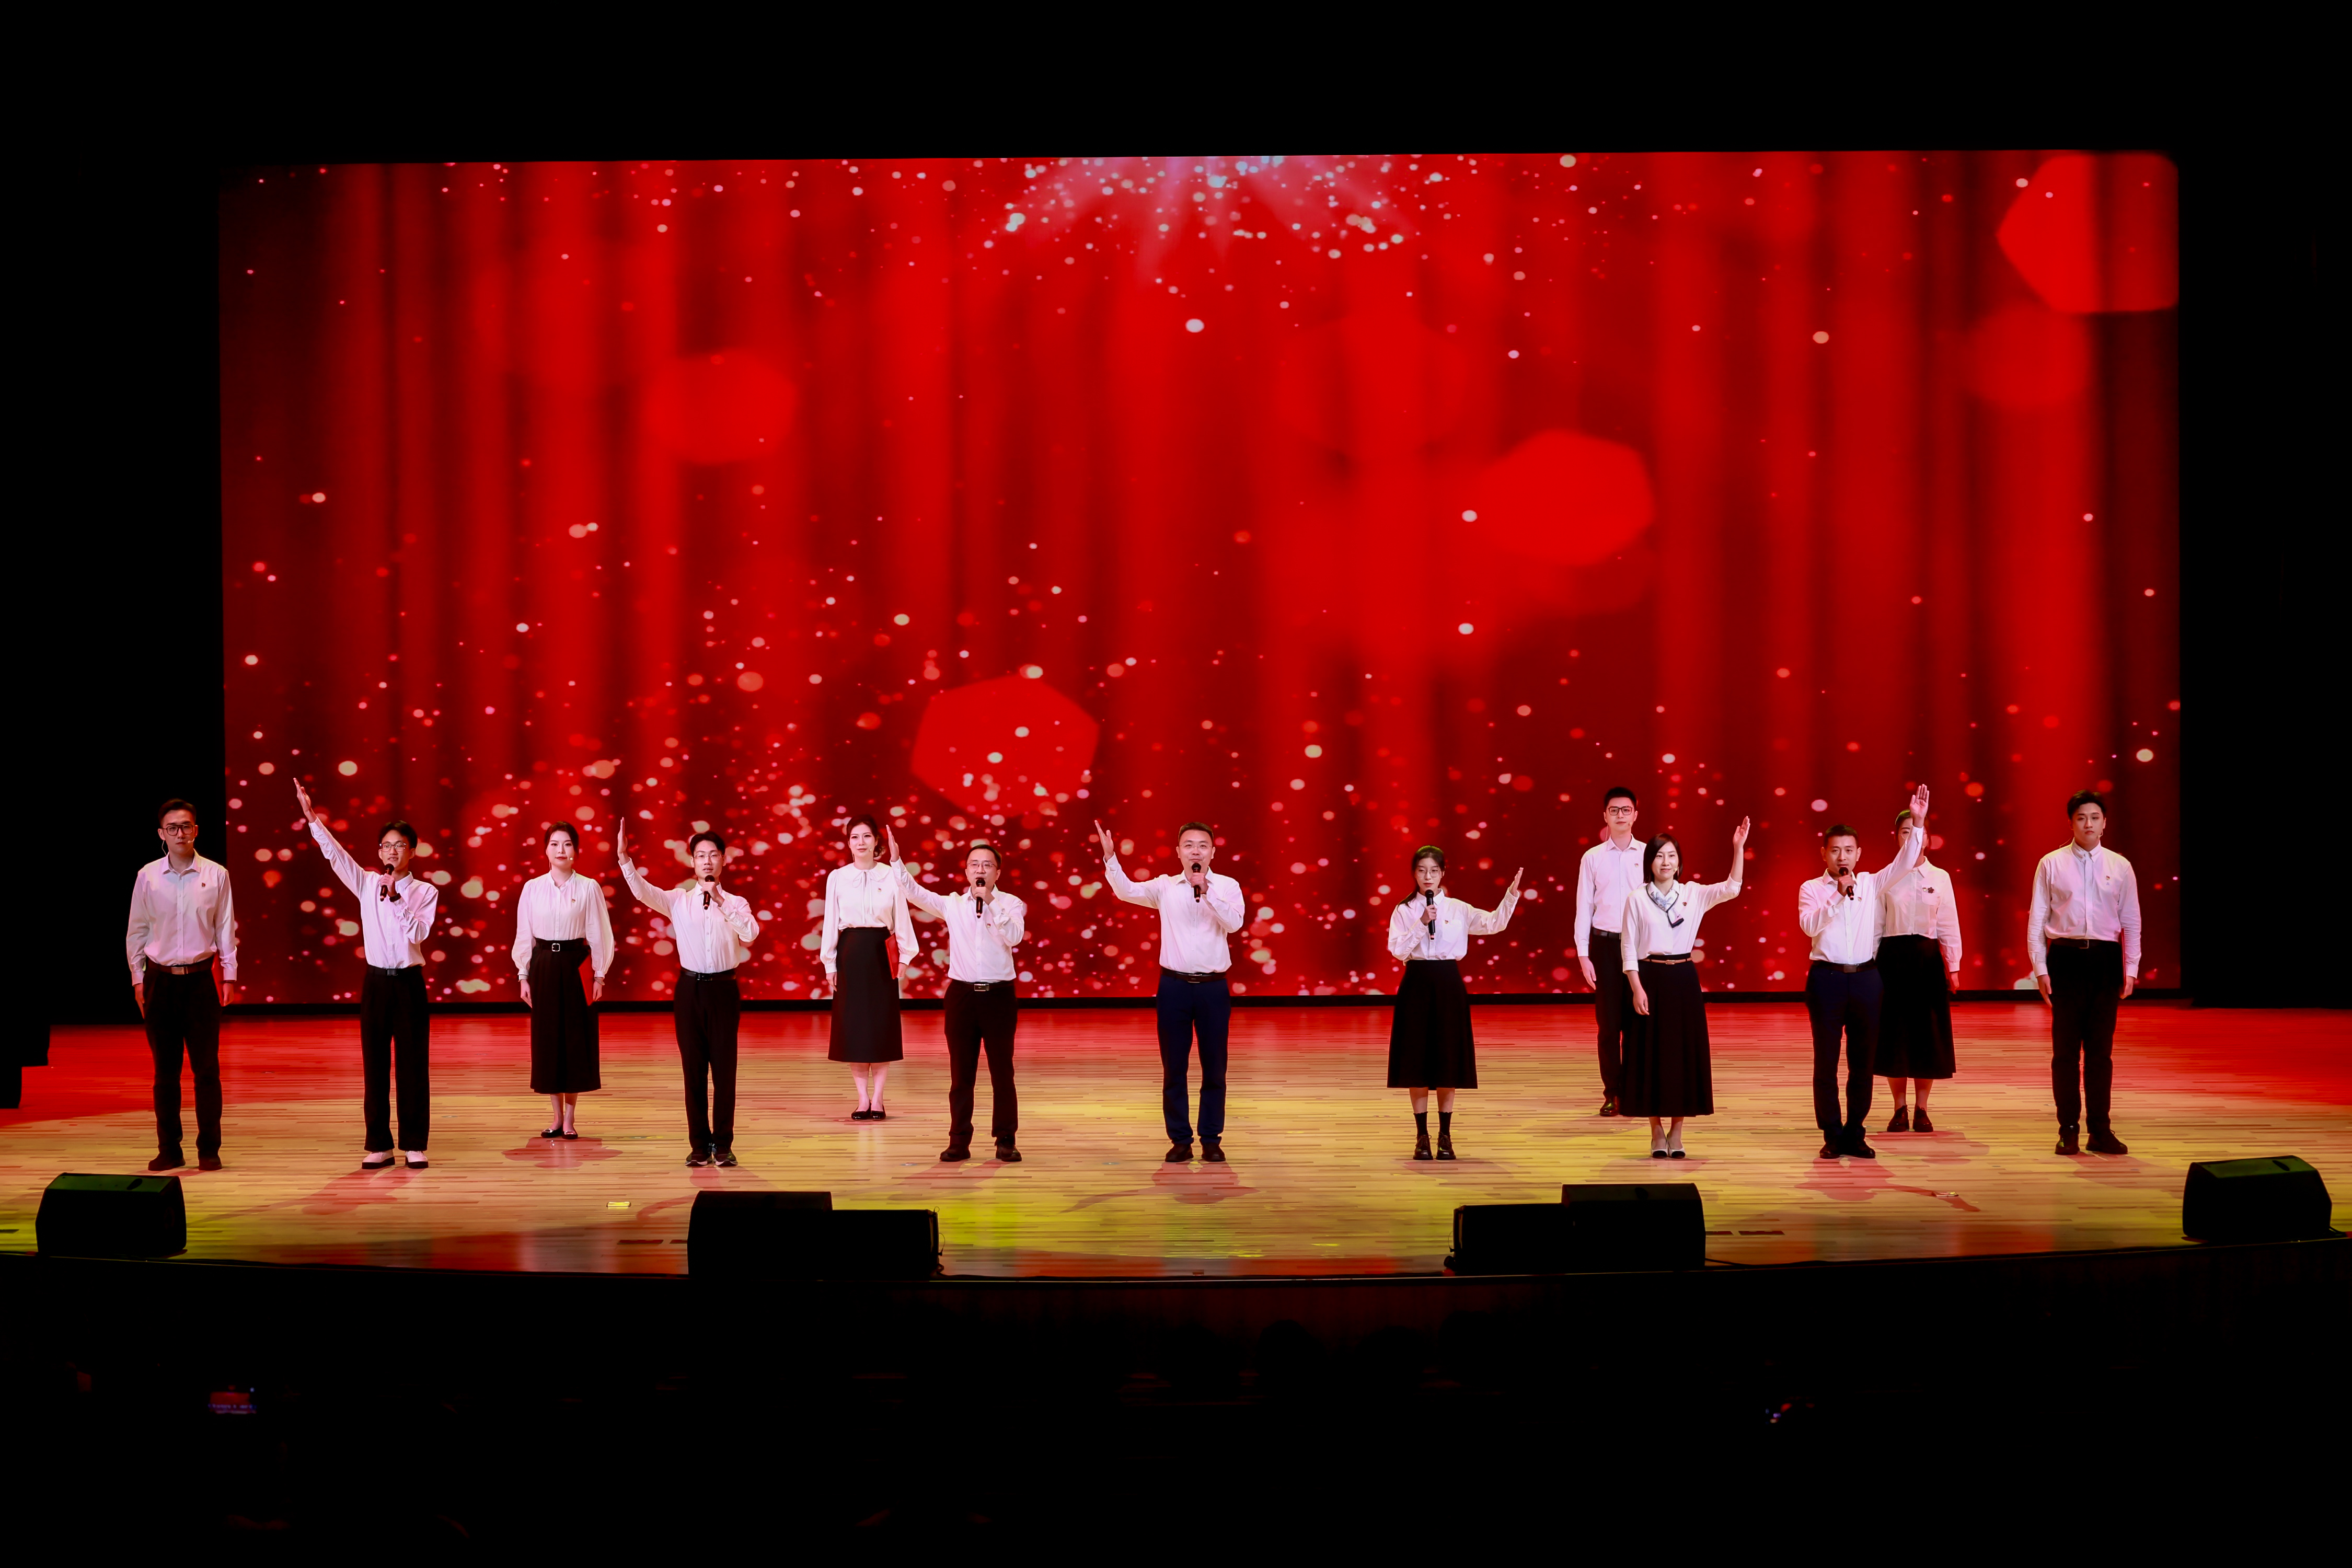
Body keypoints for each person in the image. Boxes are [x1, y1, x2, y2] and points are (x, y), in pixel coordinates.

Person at [297, 781, 437, 1170]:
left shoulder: (425, 892)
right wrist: (312, 817)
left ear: (413, 851)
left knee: (412, 1065)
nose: (392, 852)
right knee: (374, 1065)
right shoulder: (366, 882)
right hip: (376, 982)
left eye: (400, 845)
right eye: (386, 846)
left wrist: (396, 897)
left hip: (409, 983)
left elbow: (418, 934)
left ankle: (414, 1143)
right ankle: (379, 1144)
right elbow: (335, 855)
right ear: (379, 852)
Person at [1098, 818, 1245, 1163]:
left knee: (1215, 1068)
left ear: (1213, 852)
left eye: (1203, 846)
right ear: (1178, 852)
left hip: (1213, 989)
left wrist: (1207, 892)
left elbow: (1235, 923)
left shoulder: (1227, 886)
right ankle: (1180, 1140)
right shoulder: (1165, 887)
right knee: (1174, 1068)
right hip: (1174, 988)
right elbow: (1126, 891)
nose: (1196, 852)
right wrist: (1111, 858)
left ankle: (1211, 1139)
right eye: (1189, 846)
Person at [1797, 786, 1933, 1160]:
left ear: (1859, 854)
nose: (1842, 856)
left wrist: (1918, 822)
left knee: (1863, 1063)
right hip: (1826, 979)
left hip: (1866, 980)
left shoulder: (1872, 882)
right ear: (1824, 854)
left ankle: (1856, 1132)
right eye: (1835, 850)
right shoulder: (1812, 889)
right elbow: (1809, 926)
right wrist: (1838, 895)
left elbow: (1906, 861)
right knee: (1826, 1062)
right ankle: (1832, 1134)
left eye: (1849, 850)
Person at [617, 820, 757, 1168]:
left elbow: (750, 934)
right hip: (690, 991)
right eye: (701, 855)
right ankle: (699, 1145)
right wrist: (624, 859)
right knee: (693, 1070)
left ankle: (723, 1144)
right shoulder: (678, 900)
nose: (707, 861)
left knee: (724, 1072)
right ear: (692, 862)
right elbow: (643, 892)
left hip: (724, 990)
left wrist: (721, 901)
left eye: (713, 855)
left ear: (723, 860)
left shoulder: (736, 902)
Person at [890, 827, 1027, 1163]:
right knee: (961, 1074)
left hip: (999, 996)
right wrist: (896, 862)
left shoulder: (1011, 903)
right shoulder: (952, 904)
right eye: (975, 865)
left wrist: (990, 901)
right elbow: (914, 892)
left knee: (1002, 1072)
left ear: (997, 872)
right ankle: (959, 1140)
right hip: (962, 997)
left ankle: (1005, 1139)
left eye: (987, 865)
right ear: (966, 871)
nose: (981, 870)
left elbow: (1014, 937)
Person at [1622, 817, 1750, 1157]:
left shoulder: (1693, 894)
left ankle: (1677, 1132)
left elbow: (1732, 888)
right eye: (1659, 856)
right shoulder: (1637, 898)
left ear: (1679, 862)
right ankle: (1655, 1131)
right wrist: (1636, 988)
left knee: (1681, 1056)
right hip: (1649, 979)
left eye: (1672, 856)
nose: (1666, 862)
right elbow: (1628, 947)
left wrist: (1738, 849)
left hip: (1683, 980)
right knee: (1650, 1056)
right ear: (1649, 862)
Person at [1387, 848, 1521, 1160]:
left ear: (1443, 873)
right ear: (1414, 874)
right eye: (1422, 871)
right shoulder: (1404, 910)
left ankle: (1445, 1136)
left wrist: (1511, 895)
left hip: (1449, 984)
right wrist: (1422, 923)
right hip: (1416, 983)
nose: (1428, 877)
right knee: (1418, 1061)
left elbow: (1493, 924)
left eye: (1434, 871)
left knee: (1447, 1058)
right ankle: (1422, 1137)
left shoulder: (1459, 909)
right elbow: (1398, 950)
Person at [125, 799, 237, 1172]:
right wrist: (138, 978)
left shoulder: (216, 874)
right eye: (172, 827)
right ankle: (169, 1149)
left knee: (207, 1071)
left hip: (201, 981)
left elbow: (225, 927)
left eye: (186, 826)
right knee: (165, 1073)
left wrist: (230, 975)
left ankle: (209, 1149)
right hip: (159, 981)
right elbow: (137, 930)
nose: (180, 833)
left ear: (196, 831)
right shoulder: (148, 876)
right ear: (162, 834)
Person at [2027, 791, 2142, 1156]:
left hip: (2106, 960)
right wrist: (2040, 969)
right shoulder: (2051, 864)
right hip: (2065, 959)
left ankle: (2101, 1130)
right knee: (2065, 1052)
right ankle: (2068, 1129)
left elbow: (2132, 922)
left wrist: (2131, 967)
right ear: (2071, 823)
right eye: (2081, 818)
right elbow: (2037, 921)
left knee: (2100, 1053)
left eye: (2095, 817)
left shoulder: (2120, 866)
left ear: (2104, 823)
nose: (2088, 824)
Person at [513, 822, 614, 1140]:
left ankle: (570, 1118)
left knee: (575, 1039)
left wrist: (599, 975)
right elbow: (524, 934)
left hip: (576, 965)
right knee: (548, 1040)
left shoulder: (588, 887)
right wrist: (523, 974)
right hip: (543, 963)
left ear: (576, 851)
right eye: (555, 844)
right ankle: (555, 1117)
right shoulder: (532, 888)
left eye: (567, 844)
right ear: (546, 850)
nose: (561, 850)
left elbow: (599, 933)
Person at [820, 814, 916, 1120]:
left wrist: (905, 957)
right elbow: (830, 921)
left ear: (876, 842)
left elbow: (902, 917)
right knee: (855, 1028)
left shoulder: (891, 876)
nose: (860, 842)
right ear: (848, 843)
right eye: (854, 837)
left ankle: (879, 1099)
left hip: (881, 953)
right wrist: (829, 962)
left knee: (880, 1027)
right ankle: (862, 1099)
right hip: (850, 954)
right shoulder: (837, 877)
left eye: (866, 836)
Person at [1877, 806, 1962, 1132]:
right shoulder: (1885, 878)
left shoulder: (1940, 878)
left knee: (1928, 1034)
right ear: (1897, 837)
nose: (1913, 838)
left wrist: (1953, 966)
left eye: (1919, 832)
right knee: (1894, 1034)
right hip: (1891, 960)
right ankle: (1898, 1108)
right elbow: (1876, 926)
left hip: (1927, 962)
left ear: (1927, 839)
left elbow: (1948, 924)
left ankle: (1922, 1108)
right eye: (1906, 832)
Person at [1572, 787, 1646, 1115]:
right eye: (1614, 810)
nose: (1620, 815)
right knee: (1608, 1025)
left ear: (1635, 815)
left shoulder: (1649, 854)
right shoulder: (1592, 857)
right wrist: (1583, 954)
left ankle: (1636, 1090)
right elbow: (1584, 907)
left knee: (1638, 1021)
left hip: (1640, 946)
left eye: (1626, 810)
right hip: (1604, 946)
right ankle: (1612, 1093)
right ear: (1605, 816)